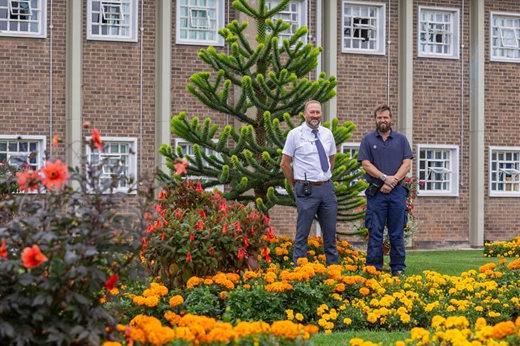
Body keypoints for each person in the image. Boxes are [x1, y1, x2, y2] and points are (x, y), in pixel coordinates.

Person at [280, 100, 339, 265]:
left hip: (326, 189)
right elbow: (285, 163)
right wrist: (295, 182)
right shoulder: (294, 134)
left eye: (317, 112)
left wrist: (325, 174)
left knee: (330, 233)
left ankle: (334, 270)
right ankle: (300, 271)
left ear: (321, 114)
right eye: (311, 112)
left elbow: (331, 157)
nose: (315, 115)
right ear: (305, 114)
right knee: (302, 233)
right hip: (306, 189)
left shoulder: (327, 134)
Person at [358, 104, 413, 276]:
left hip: (397, 193)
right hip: (376, 193)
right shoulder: (368, 140)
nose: (383, 120)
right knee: (375, 231)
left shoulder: (401, 140)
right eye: (380, 117)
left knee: (397, 232)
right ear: (375, 119)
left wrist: (394, 180)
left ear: (391, 119)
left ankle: (398, 268)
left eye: (386, 117)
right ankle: (374, 269)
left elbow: (407, 163)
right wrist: (384, 178)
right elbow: (366, 164)